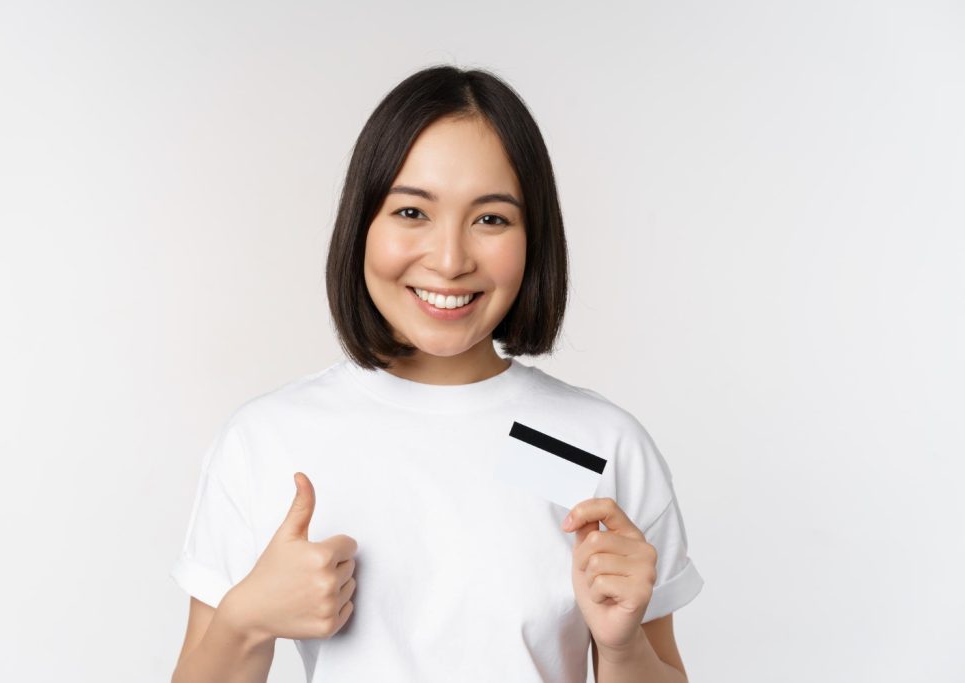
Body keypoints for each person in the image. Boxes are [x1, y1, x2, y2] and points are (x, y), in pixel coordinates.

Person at [169, 64, 704, 683]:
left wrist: (620, 649)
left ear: (534, 239)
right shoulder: (268, 440)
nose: (450, 261)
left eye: (491, 219)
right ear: (362, 225)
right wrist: (246, 623)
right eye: (412, 213)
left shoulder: (597, 446)